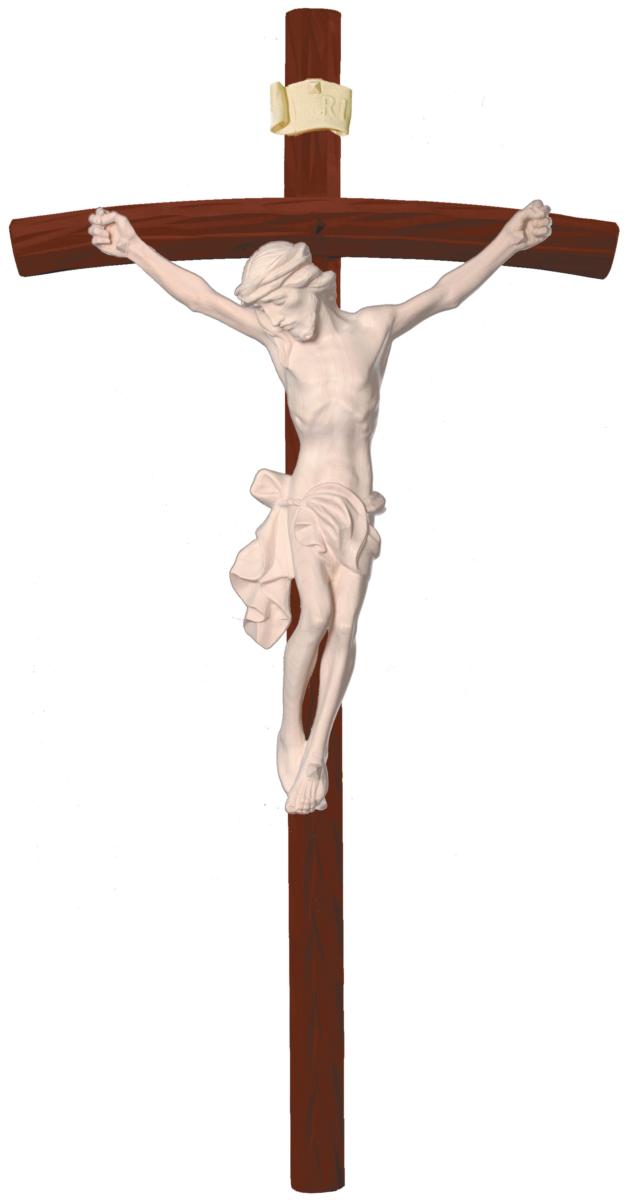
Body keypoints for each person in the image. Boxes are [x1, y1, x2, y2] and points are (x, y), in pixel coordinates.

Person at [88, 201, 552, 813]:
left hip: (357, 504)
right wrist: (134, 247)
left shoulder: (374, 328)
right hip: (309, 499)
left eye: (281, 304)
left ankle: (315, 753)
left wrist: (509, 241)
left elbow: (445, 294)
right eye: (267, 312)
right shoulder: (282, 345)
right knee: (317, 617)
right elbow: (202, 299)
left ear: (310, 287)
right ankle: (290, 726)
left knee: (346, 625)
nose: (276, 320)